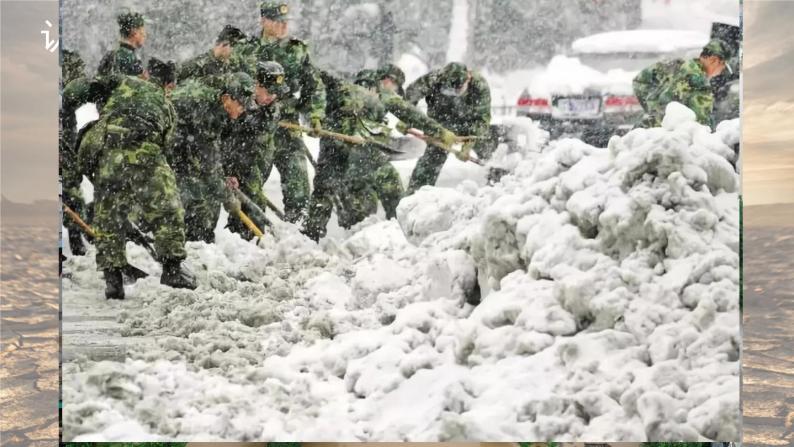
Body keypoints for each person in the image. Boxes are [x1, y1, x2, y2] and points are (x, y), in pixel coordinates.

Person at [302, 68, 455, 241]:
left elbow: (317, 83)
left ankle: (310, 236)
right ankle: (398, 233)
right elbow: (410, 113)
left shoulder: (342, 88)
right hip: (361, 145)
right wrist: (441, 132)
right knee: (387, 182)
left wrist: (313, 118)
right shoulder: (381, 93)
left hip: (332, 143)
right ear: (383, 82)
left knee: (324, 189)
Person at [91, 58, 195, 300]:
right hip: (146, 157)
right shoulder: (166, 104)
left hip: (110, 157)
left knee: (109, 216)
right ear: (169, 85)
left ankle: (112, 278)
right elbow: (166, 142)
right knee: (168, 211)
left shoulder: (123, 84)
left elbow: (99, 93)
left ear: (148, 74)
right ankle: (172, 269)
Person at [232, 1, 326, 223]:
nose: (283, 26)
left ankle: (298, 233)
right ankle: (246, 235)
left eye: (285, 21)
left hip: (287, 127)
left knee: (298, 185)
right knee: (249, 185)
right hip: (253, 131)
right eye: (277, 21)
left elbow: (314, 86)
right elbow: (231, 86)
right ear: (263, 21)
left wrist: (314, 115)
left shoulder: (297, 50)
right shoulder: (245, 50)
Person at [168, 72, 257, 243]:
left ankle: (196, 240)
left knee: (203, 192)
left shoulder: (215, 104)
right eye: (241, 104)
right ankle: (190, 244)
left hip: (181, 146)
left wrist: (222, 176)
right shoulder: (206, 110)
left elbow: (211, 153)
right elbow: (207, 163)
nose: (243, 110)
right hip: (165, 148)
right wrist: (228, 198)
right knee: (194, 199)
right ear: (226, 98)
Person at [222, 61, 289, 238]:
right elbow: (227, 139)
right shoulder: (237, 97)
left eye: (276, 94)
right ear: (256, 85)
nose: (271, 98)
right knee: (249, 201)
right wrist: (229, 170)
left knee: (251, 198)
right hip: (232, 159)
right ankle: (241, 239)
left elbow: (248, 143)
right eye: (268, 92)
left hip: (253, 161)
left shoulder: (270, 111)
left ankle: (245, 240)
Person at [404, 62, 491, 194]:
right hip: (440, 126)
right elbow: (410, 96)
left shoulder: (479, 86)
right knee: (431, 160)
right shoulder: (433, 79)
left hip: (467, 125)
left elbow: (482, 119)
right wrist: (405, 118)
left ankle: (495, 183)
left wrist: (469, 143)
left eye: (458, 89)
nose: (454, 94)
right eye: (449, 89)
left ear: (468, 78)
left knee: (488, 146)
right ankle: (415, 196)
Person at [632, 38, 731, 129]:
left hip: (646, 133)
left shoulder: (675, 65)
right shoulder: (700, 86)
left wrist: (653, 108)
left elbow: (640, 81)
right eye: (723, 66)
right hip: (666, 141)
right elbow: (702, 127)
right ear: (714, 60)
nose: (722, 71)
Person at [60, 50, 89, 255]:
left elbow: (76, 95)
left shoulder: (68, 60)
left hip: (66, 139)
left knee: (71, 191)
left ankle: (76, 241)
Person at [177, 25, 248, 82]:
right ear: (224, 45)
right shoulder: (199, 64)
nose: (235, 52)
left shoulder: (229, 65)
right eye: (234, 47)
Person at [97, 11, 147, 77]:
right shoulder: (127, 57)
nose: (145, 36)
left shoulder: (112, 53)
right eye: (142, 33)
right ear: (134, 32)